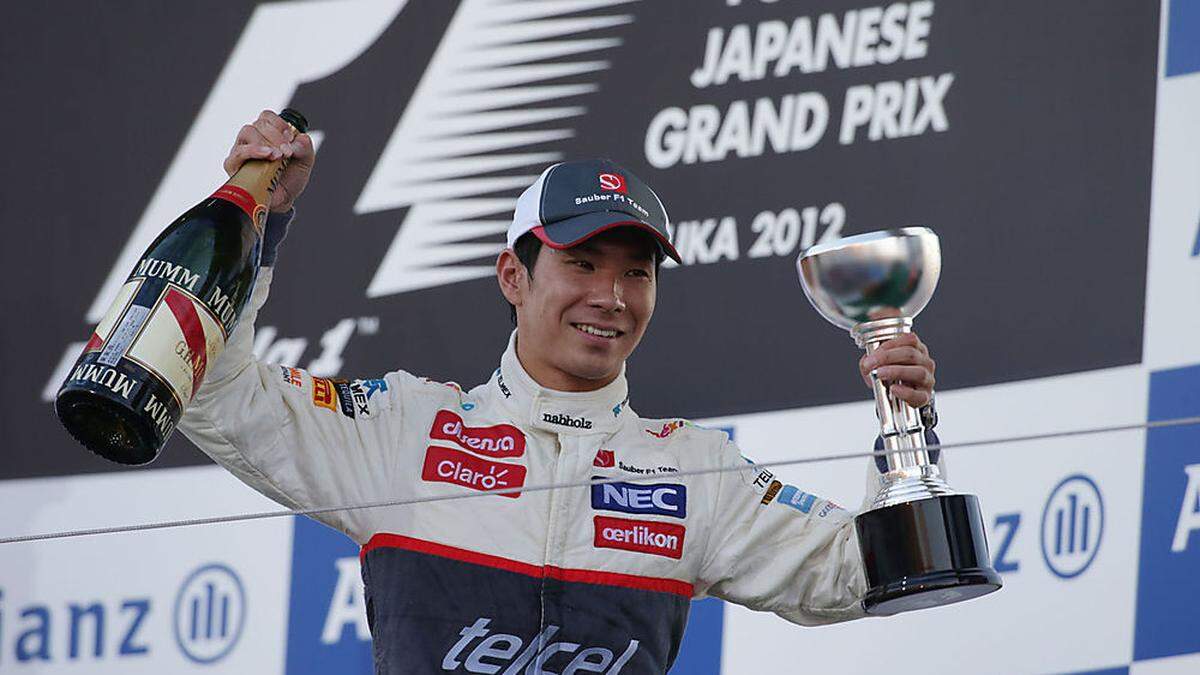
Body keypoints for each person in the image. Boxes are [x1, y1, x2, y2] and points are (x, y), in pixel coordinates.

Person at [181, 111, 939, 674]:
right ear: (514, 276)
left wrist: (904, 424)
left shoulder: (696, 470)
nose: (611, 295)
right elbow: (216, 391)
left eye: (636, 271)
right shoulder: (405, 429)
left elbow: (865, 570)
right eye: (582, 263)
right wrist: (261, 222)